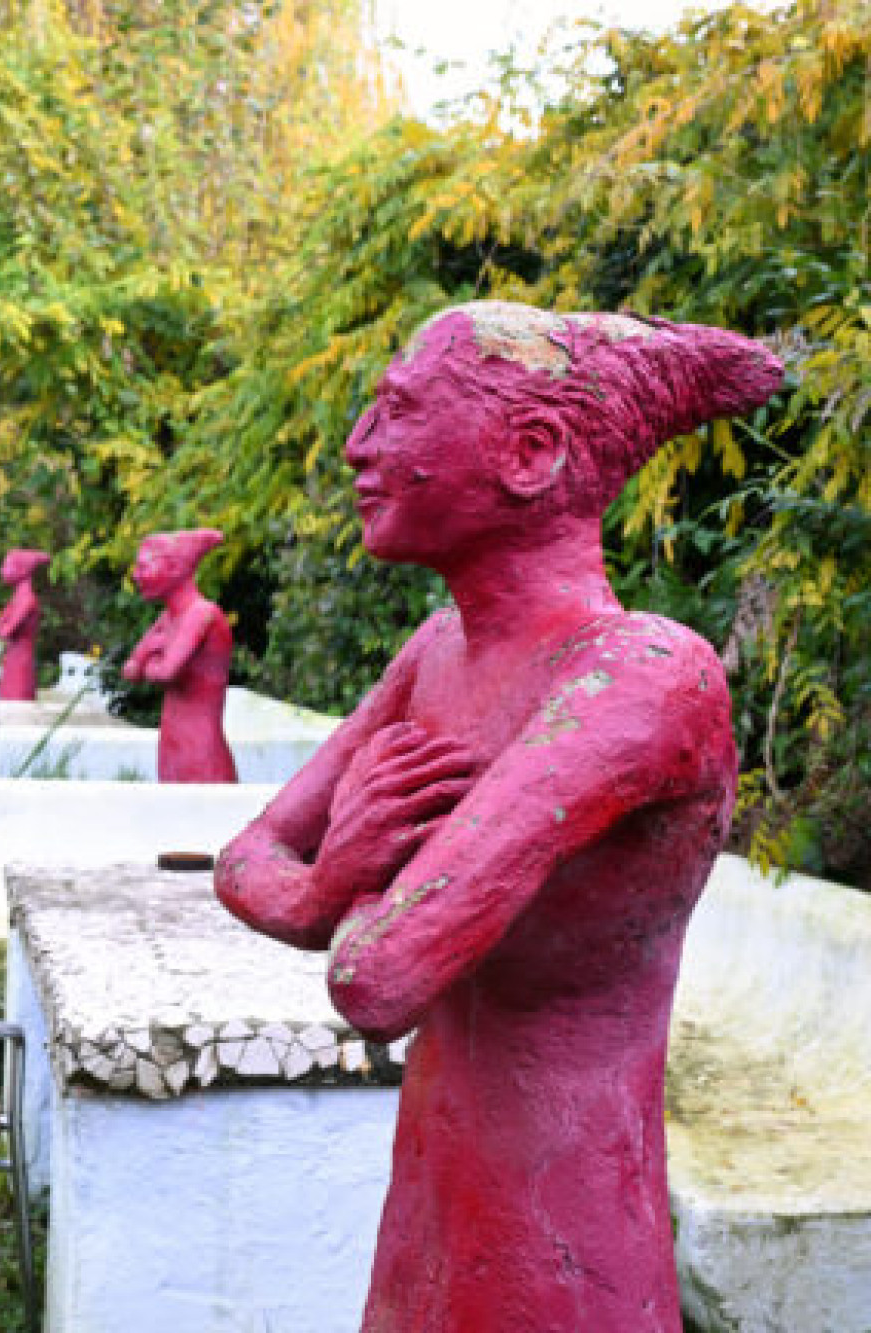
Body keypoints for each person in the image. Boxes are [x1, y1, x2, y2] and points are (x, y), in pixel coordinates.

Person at [215, 301, 781, 1332]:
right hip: (427, 1223)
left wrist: (337, 889)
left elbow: (377, 976)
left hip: (557, 1248)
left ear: (528, 453)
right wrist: (329, 883)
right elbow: (247, 858)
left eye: (397, 411)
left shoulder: (644, 677)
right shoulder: (436, 650)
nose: (357, 445)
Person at [122, 528, 238, 782]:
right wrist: (152, 657)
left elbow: (165, 673)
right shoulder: (168, 618)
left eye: (144, 567)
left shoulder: (201, 614)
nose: (136, 574)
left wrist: (150, 658)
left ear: (174, 569)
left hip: (200, 751)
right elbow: (130, 670)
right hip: (172, 747)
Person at [0, 548, 50, 701]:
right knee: (7, 701)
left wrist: (3, 624)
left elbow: (5, 631)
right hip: (13, 658)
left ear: (22, 570)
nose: (3, 570)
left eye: (7, 566)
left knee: (17, 703)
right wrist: (2, 624)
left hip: (21, 662)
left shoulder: (26, 600)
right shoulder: (17, 599)